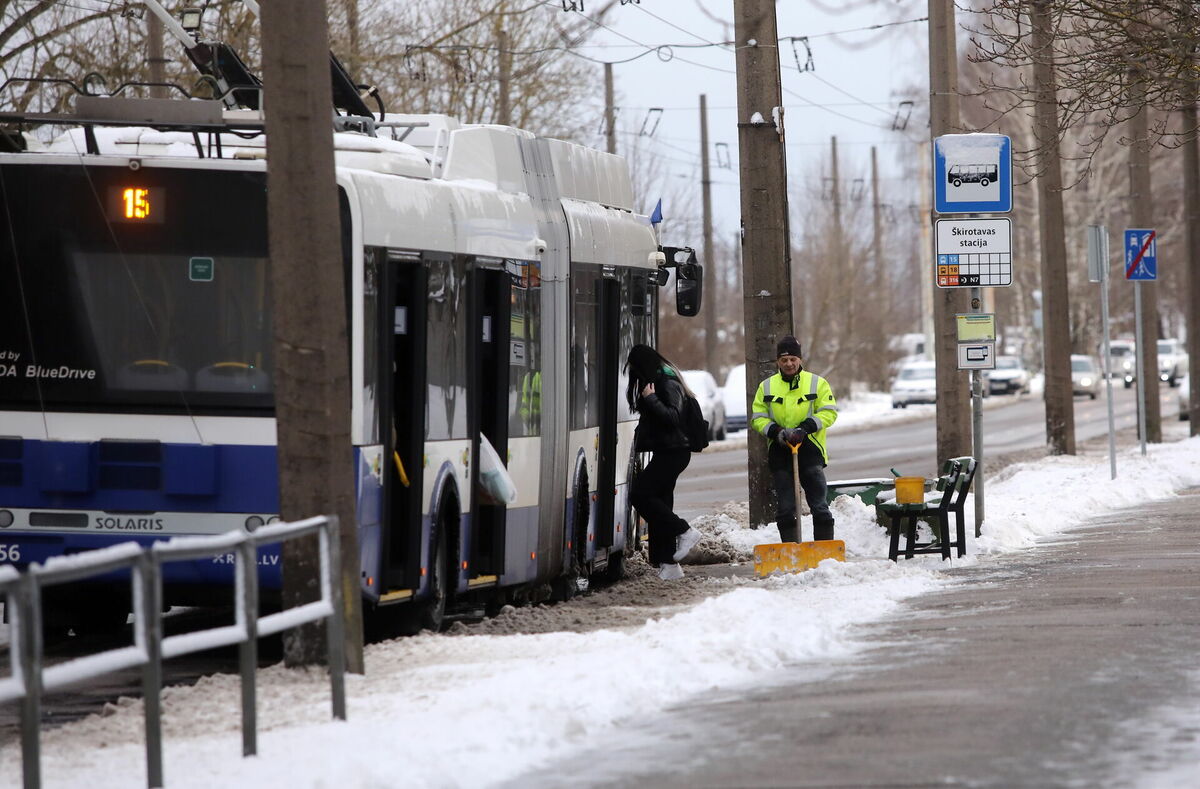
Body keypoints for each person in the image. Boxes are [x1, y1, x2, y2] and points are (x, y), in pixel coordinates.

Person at [750, 336, 839, 543]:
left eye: (792, 359)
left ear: (799, 359)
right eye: (784, 360)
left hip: (810, 448)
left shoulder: (817, 383)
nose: (789, 364)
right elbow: (758, 417)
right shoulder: (767, 387)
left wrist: (805, 428)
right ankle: (790, 549)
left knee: (819, 503)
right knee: (786, 506)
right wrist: (776, 432)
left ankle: (824, 548)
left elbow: (829, 413)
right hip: (780, 450)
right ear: (777, 362)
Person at [626, 344, 703, 580]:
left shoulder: (667, 381)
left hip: (674, 451)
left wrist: (650, 399)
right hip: (667, 450)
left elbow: (672, 417)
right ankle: (669, 565)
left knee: (640, 494)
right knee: (660, 503)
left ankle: (685, 531)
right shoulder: (660, 378)